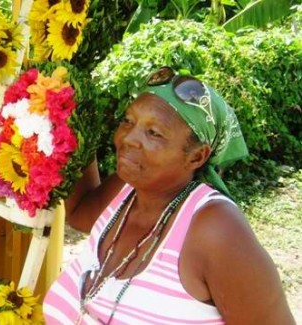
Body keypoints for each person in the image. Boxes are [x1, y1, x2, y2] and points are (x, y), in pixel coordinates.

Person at [43, 67, 295, 324]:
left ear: (197, 156)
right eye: (128, 121)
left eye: (154, 133)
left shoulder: (216, 230)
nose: (129, 138)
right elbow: (79, 213)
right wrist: (66, 127)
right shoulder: (127, 191)